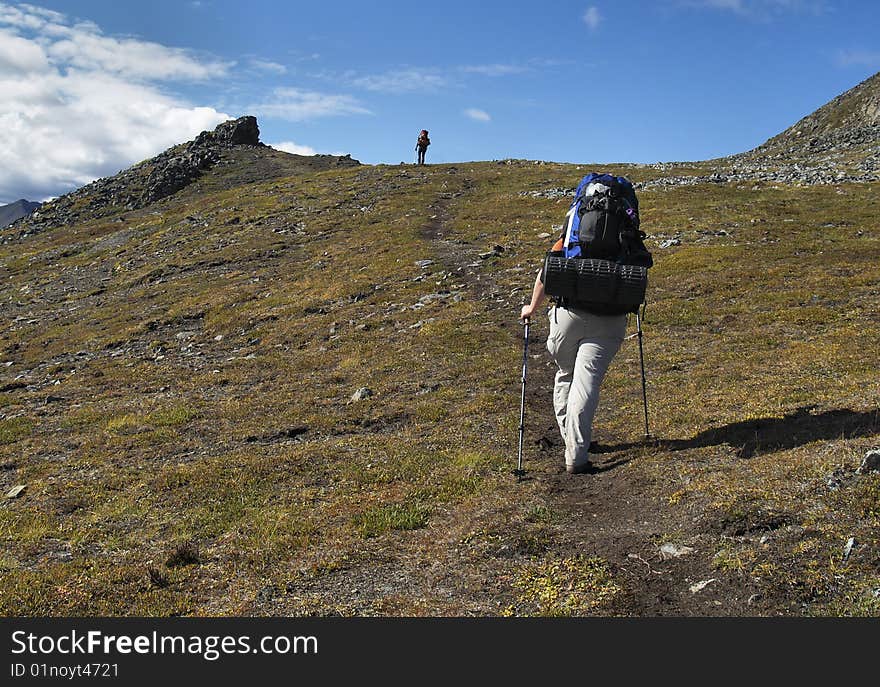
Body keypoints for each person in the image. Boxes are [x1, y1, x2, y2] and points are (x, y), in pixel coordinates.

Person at [519, 235, 627, 475]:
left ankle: (571, 437)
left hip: (567, 316)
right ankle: (576, 454)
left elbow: (547, 269)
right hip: (609, 320)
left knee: (567, 373)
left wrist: (531, 308)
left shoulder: (573, 229)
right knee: (586, 383)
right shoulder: (626, 229)